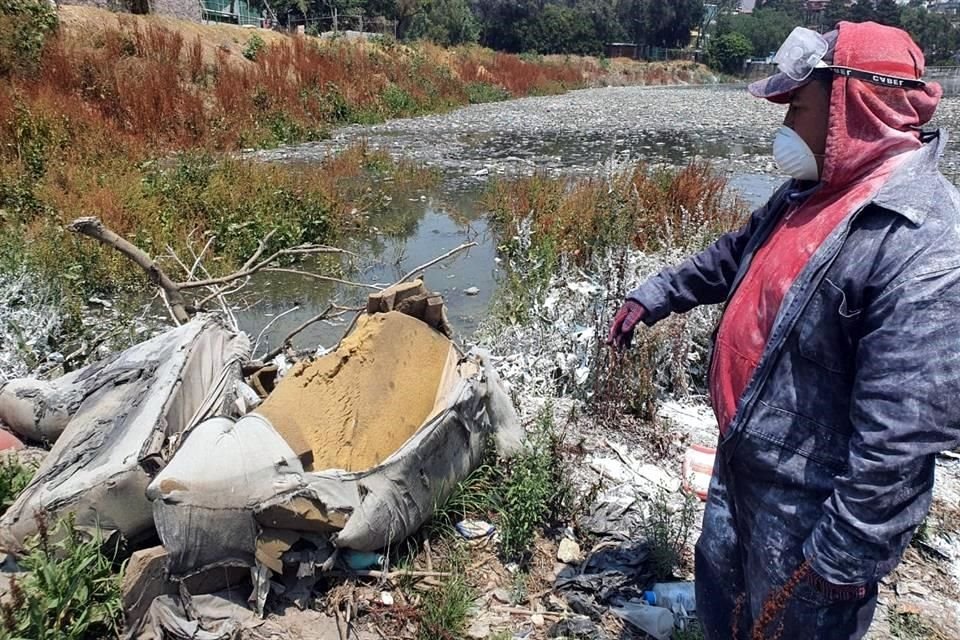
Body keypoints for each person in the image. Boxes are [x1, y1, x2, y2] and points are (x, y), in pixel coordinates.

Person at [607, 21, 960, 639]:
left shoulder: (921, 240)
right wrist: (654, 296)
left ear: (855, 102)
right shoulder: (809, 193)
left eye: (797, 105)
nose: (785, 125)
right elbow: (734, 254)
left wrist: (841, 558)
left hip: (811, 513)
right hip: (743, 467)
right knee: (726, 617)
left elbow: (900, 436)